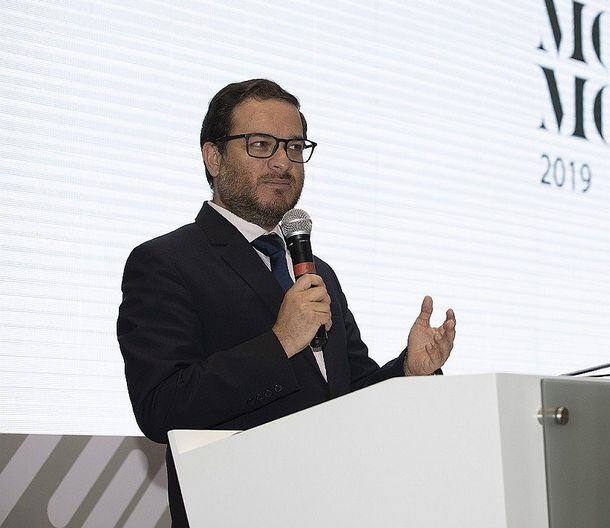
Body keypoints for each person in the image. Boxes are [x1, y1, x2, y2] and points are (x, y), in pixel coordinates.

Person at [117, 79, 456, 527]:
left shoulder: (316, 271)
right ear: (213, 157)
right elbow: (161, 407)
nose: (282, 162)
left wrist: (409, 371)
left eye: (294, 147)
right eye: (261, 145)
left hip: (338, 509)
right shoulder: (165, 262)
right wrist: (280, 343)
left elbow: (349, 394)